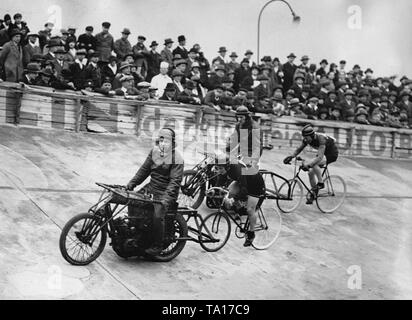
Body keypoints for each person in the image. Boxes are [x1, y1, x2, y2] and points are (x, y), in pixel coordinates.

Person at [126, 128, 184, 255]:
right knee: (133, 201)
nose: (163, 144)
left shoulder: (177, 158)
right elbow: (144, 170)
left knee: (158, 215)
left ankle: (158, 245)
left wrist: (165, 200)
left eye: (166, 141)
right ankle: (136, 231)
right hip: (151, 187)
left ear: (172, 143)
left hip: (166, 192)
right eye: (161, 140)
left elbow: (174, 182)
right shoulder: (154, 152)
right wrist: (132, 183)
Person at [216, 105, 264, 247]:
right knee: (232, 173)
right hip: (242, 153)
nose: (239, 119)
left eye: (242, 117)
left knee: (249, 203)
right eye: (238, 117)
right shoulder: (238, 125)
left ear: (247, 116)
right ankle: (237, 206)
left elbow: (257, 147)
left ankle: (251, 232)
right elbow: (234, 139)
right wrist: (227, 149)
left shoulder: (254, 127)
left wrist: (253, 162)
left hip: (252, 156)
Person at [283, 125, 339, 204]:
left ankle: (321, 183)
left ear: (312, 135)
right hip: (322, 154)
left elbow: (319, 158)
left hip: (331, 154)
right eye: (304, 137)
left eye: (306, 137)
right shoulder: (307, 139)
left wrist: (309, 165)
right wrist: (291, 156)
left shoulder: (321, 139)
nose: (305, 139)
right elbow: (299, 149)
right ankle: (314, 193)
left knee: (313, 163)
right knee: (310, 173)